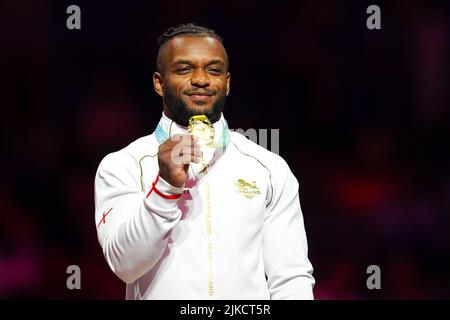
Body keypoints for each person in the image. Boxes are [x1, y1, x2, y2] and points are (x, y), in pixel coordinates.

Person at [94, 23, 315, 300]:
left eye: (213, 70)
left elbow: (291, 278)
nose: (201, 79)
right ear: (159, 83)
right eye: (185, 69)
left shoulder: (269, 168)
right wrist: (165, 188)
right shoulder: (123, 165)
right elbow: (125, 265)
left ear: (228, 82)